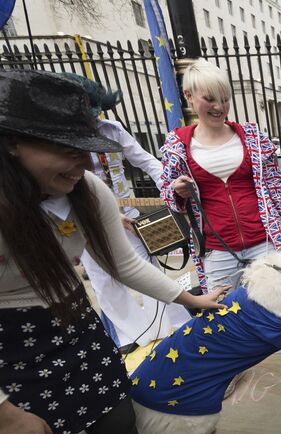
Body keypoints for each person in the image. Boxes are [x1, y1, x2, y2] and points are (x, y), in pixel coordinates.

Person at [0, 70, 225, 434]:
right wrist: (5, 413)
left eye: (87, 152)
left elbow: (125, 264)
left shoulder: (86, 190)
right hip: (11, 351)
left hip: (78, 331)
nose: (85, 166)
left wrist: (192, 301)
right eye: (68, 151)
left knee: (118, 420)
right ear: (14, 143)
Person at [158, 58, 281, 402]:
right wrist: (178, 191)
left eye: (224, 98)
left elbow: (275, 185)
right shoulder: (178, 144)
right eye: (210, 98)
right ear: (189, 96)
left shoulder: (253, 136)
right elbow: (167, 194)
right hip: (215, 247)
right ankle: (229, 370)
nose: (219, 106)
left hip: (266, 240)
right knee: (222, 315)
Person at [62, 73, 191, 351]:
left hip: (130, 217)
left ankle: (166, 327)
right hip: (85, 220)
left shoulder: (113, 129)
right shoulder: (61, 141)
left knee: (149, 269)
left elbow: (145, 160)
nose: (92, 121)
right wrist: (104, 215)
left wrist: (169, 185)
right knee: (103, 280)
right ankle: (130, 336)